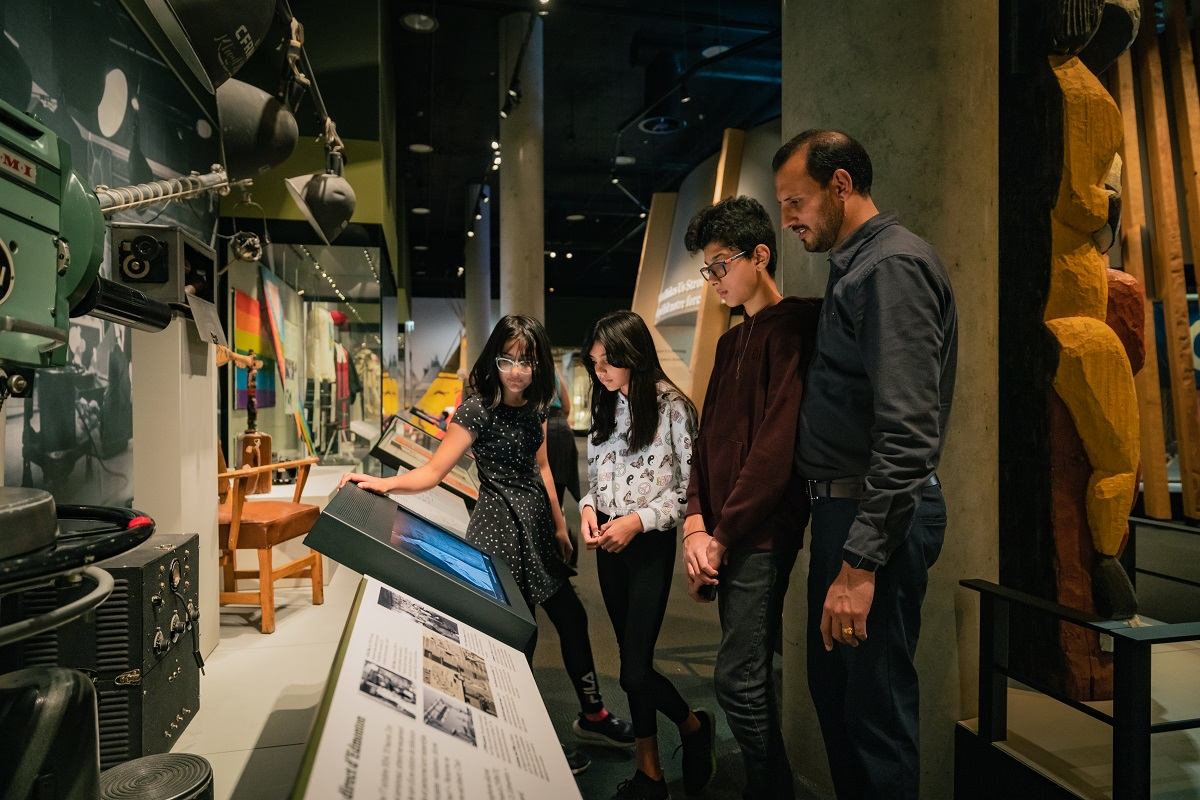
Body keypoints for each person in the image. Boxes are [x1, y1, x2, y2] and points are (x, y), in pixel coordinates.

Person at [340, 315, 634, 774]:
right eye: (506, 360)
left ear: (538, 363)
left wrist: (559, 525)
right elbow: (434, 471)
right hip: (498, 532)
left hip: (536, 526)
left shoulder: (537, 405)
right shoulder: (477, 409)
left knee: (573, 620)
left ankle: (592, 714)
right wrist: (383, 486)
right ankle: (526, 745)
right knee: (521, 639)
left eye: (525, 360)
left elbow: (542, 468)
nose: (516, 370)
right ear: (494, 360)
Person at [773, 129, 957, 800]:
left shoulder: (891, 267)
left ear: (841, 185)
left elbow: (909, 431)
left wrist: (860, 563)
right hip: (846, 512)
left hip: (869, 517)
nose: (789, 219)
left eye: (796, 202)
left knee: (874, 714)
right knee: (840, 699)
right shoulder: (858, 264)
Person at [680, 196, 820, 800]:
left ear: (759, 256)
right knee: (747, 673)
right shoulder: (730, 342)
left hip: (758, 532)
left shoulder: (794, 326)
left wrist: (720, 533)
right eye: (706, 271)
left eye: (720, 266)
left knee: (739, 678)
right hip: (721, 532)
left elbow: (774, 449)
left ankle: (771, 789)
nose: (712, 281)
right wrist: (692, 523)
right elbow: (706, 439)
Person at [579, 310, 715, 800]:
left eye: (607, 362)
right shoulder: (606, 403)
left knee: (634, 669)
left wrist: (637, 522)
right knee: (630, 659)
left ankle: (695, 725)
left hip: (648, 547)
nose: (601, 372)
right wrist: (589, 508)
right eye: (594, 364)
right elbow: (595, 475)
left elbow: (689, 490)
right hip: (609, 547)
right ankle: (649, 772)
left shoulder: (674, 406)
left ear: (631, 354)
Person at [546, 364, 582, 566]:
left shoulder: (529, 370)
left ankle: (554, 552)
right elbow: (566, 406)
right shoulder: (555, 371)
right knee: (557, 498)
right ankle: (563, 552)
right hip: (561, 432)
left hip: (545, 431)